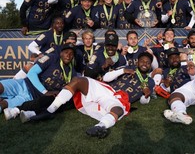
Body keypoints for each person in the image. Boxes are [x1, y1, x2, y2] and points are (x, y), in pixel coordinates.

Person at [22, 52, 155, 138]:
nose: (145, 64)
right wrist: (122, 71)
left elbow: (143, 101)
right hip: (107, 90)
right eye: (142, 61)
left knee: (118, 110)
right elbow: (107, 77)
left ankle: (100, 127)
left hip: (120, 99)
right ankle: (49, 111)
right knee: (78, 80)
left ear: (150, 66)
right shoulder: (126, 69)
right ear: (137, 62)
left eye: (148, 63)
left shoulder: (150, 81)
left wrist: (146, 96)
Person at [0, 43, 76, 114]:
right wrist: (45, 92)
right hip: (23, 84)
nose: (68, 56)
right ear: (61, 53)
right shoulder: (52, 58)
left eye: (71, 54)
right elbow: (31, 73)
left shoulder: (72, 73)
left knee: (4, 105)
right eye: (66, 52)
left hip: (31, 97)